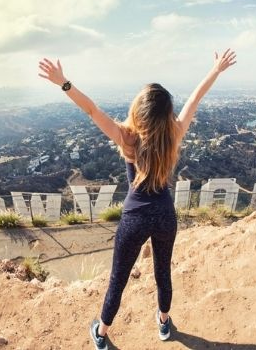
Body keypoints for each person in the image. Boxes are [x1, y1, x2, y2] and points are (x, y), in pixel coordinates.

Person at [38, 49, 237, 349]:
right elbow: (195, 99)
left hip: (134, 219)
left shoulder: (127, 138)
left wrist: (63, 82)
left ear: (138, 112)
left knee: (118, 280)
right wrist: (216, 69)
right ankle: (164, 324)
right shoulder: (174, 135)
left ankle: (101, 334)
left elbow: (91, 110)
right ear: (167, 115)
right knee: (163, 273)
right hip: (165, 216)